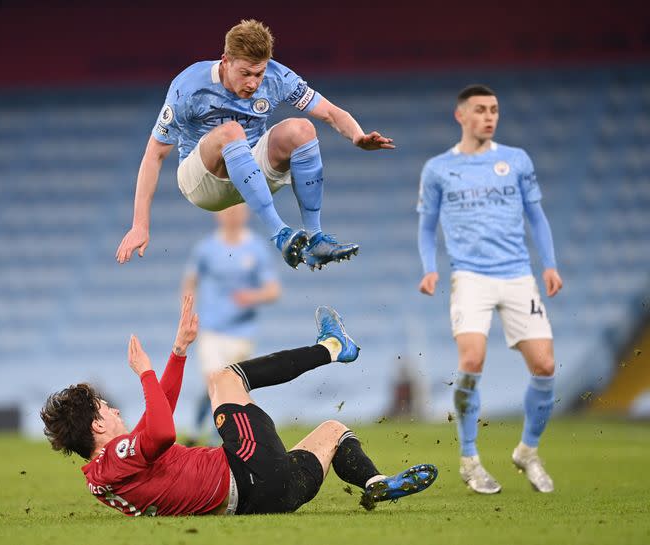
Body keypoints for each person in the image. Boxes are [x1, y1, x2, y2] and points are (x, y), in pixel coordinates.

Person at [40, 295, 438, 516]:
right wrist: (144, 372)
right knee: (225, 379)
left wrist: (178, 352)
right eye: (105, 408)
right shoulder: (118, 455)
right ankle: (333, 347)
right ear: (96, 426)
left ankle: (374, 481)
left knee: (332, 432)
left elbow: (154, 419)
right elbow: (161, 429)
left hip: (269, 499)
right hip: (245, 472)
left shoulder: (101, 475)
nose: (114, 410)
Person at [116, 19, 394, 271]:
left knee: (302, 129)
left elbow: (330, 113)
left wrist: (357, 137)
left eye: (258, 74)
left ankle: (316, 238)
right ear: (225, 61)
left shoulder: (276, 77)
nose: (253, 83)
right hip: (202, 182)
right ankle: (280, 233)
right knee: (231, 131)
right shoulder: (189, 87)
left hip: (249, 168)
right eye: (245, 73)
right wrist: (140, 224)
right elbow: (155, 153)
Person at [416, 85, 562, 494]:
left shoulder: (515, 160)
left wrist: (549, 264)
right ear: (460, 115)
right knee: (472, 357)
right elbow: (427, 227)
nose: (489, 116)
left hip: (518, 275)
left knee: (546, 367)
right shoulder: (439, 169)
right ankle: (469, 459)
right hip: (471, 277)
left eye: (494, 110)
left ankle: (528, 451)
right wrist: (430, 269)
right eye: (480, 110)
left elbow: (537, 214)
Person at [182, 203, 281, 444]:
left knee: (226, 387)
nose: (232, 214)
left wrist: (252, 297)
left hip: (242, 332)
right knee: (214, 381)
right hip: (212, 330)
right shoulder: (207, 248)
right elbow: (190, 281)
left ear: (246, 213)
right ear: (218, 214)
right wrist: (186, 313)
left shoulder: (256, 248)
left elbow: (273, 291)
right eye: (227, 210)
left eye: (237, 210)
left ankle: (197, 431)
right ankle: (220, 443)